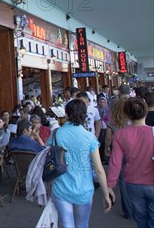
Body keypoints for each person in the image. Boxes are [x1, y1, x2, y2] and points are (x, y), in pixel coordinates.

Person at [49, 99, 112, 228]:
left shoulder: (56, 134)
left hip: (61, 187)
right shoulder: (89, 137)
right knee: (83, 224)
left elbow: (49, 159)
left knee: (66, 224)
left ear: (66, 114)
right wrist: (106, 194)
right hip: (84, 188)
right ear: (84, 115)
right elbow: (99, 168)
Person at [106, 97, 154, 228]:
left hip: (132, 183)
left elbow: (115, 163)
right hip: (152, 181)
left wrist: (110, 185)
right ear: (145, 112)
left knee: (141, 219)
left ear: (127, 113)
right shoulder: (152, 132)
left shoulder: (120, 135)